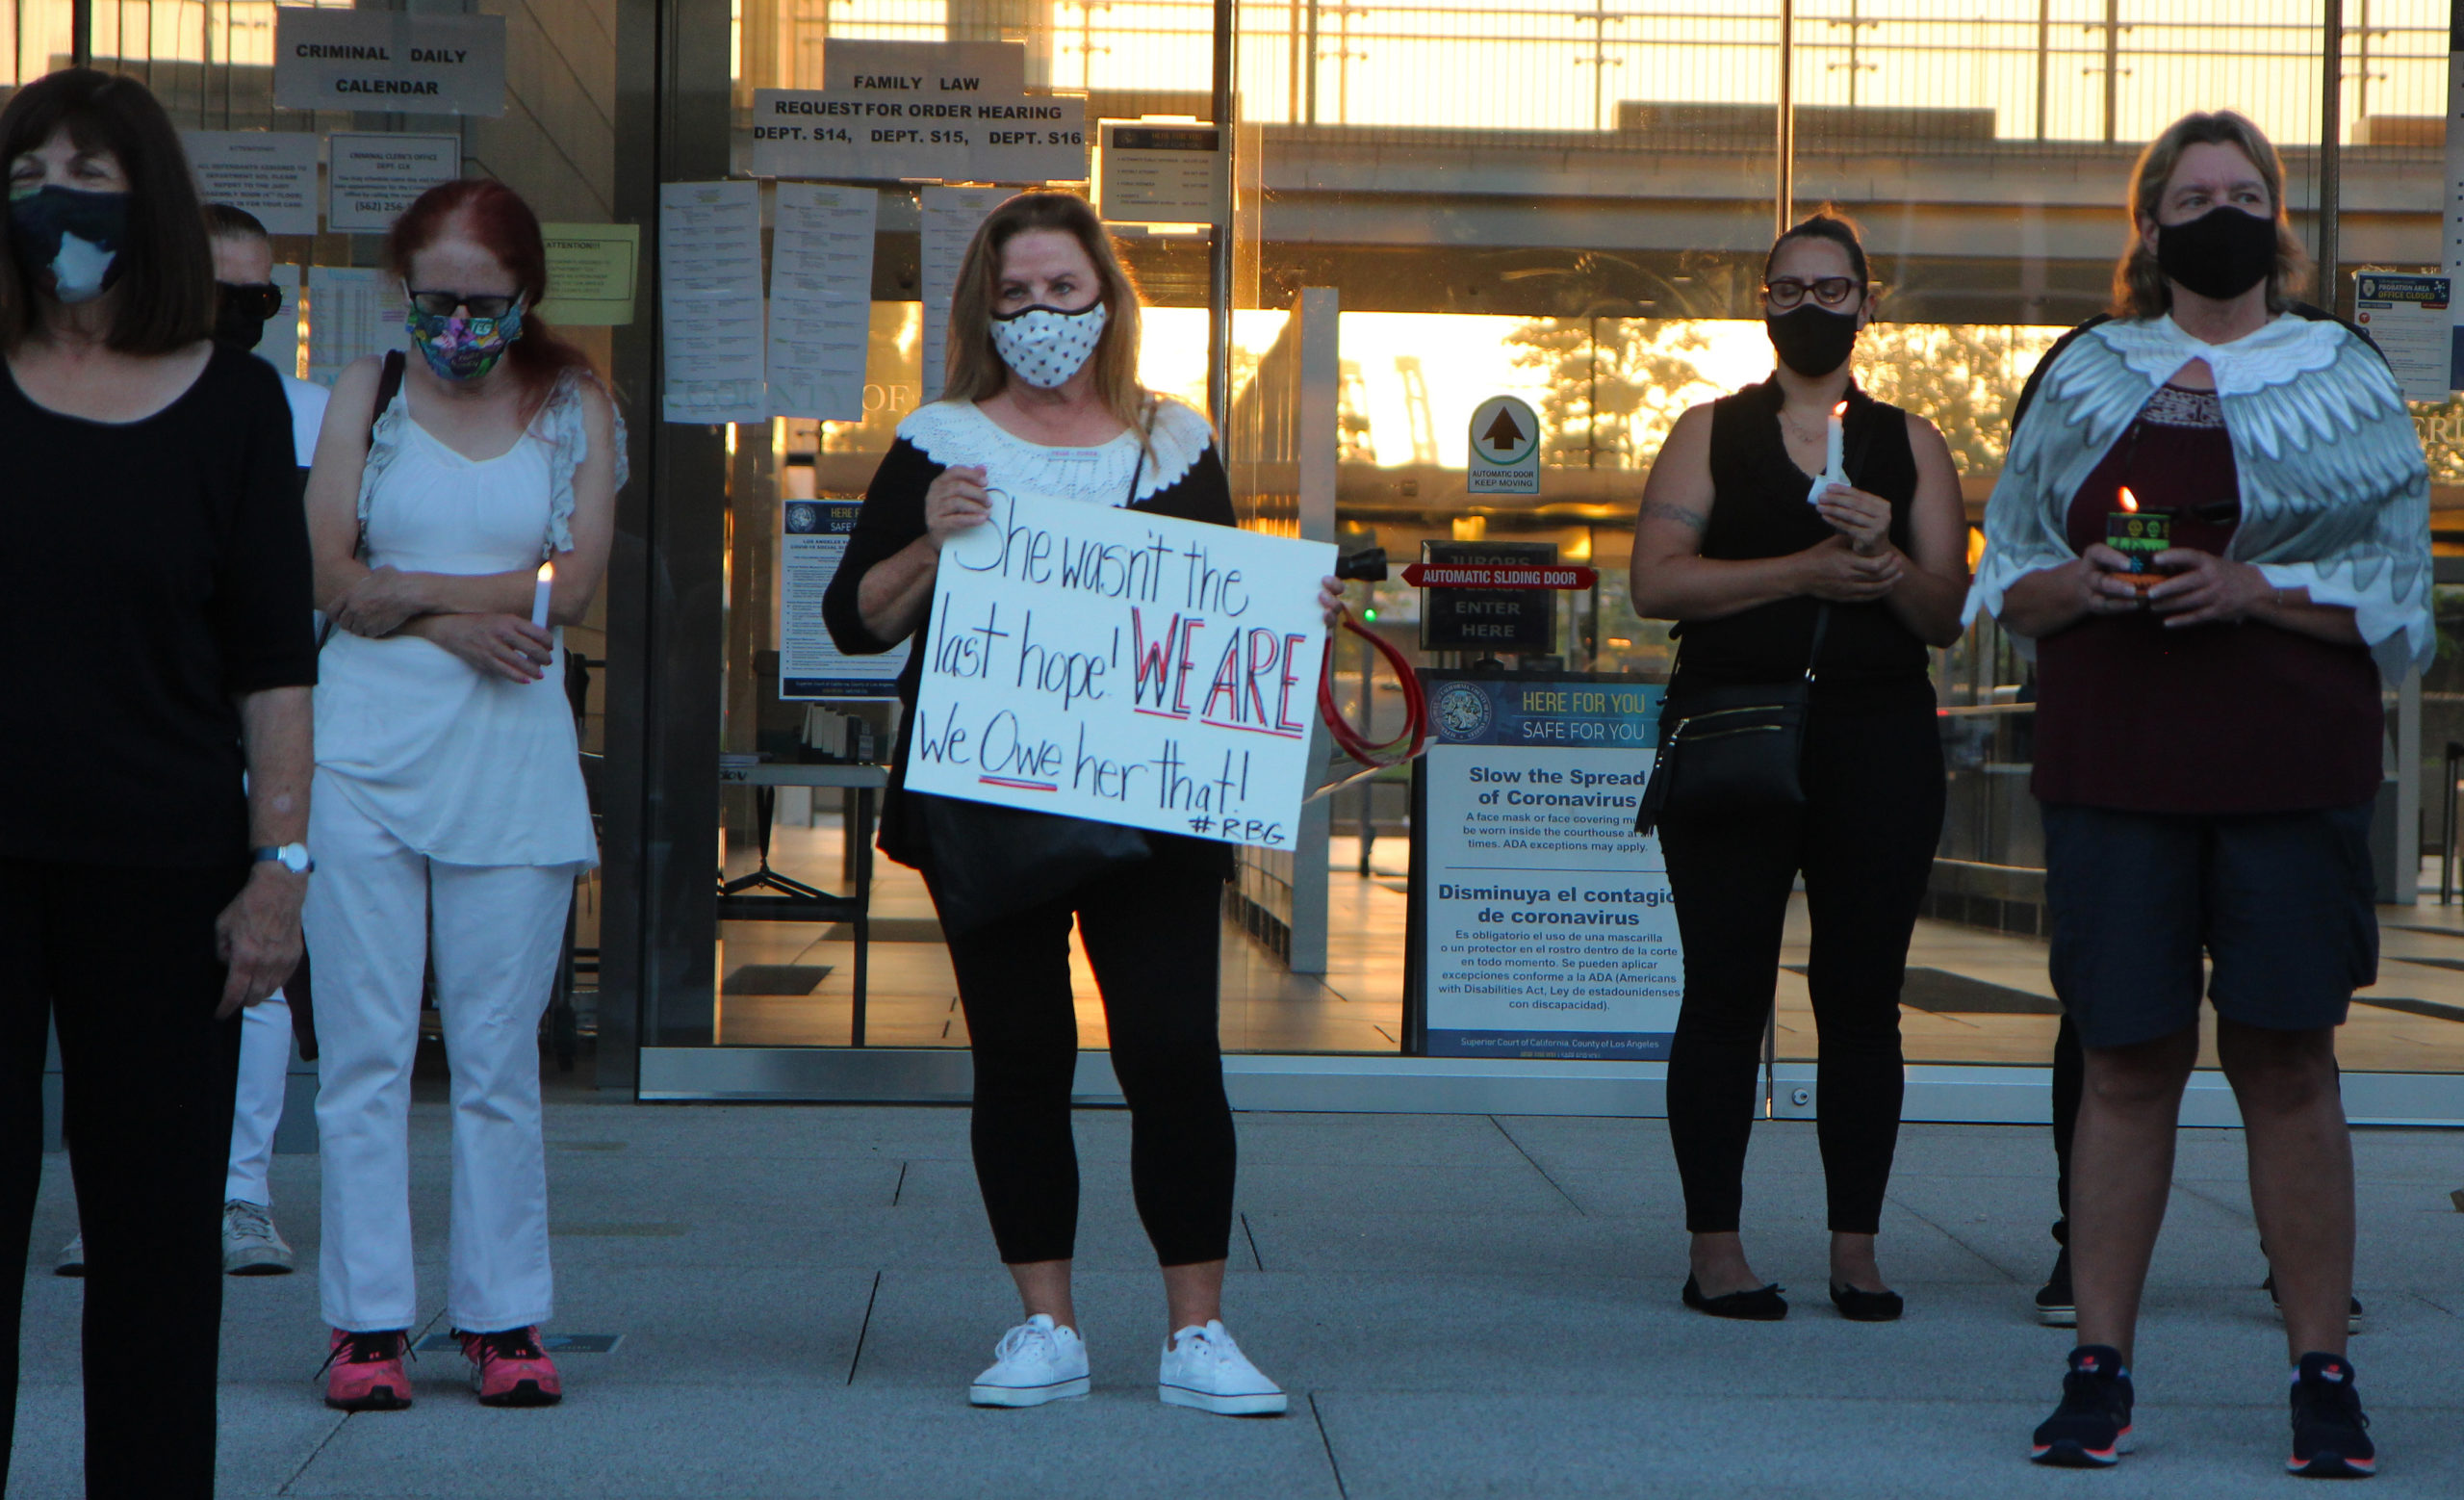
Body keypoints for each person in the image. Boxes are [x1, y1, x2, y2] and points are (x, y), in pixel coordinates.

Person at [822, 191, 1338, 1415]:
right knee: (1019, 1056)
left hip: (1153, 813)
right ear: (983, 309)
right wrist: (931, 542)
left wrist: (1284, 620)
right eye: (1016, 294)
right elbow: (858, 619)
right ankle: (1043, 1323)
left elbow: (1217, 611)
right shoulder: (942, 439)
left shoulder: (1175, 441)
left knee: (1172, 1055)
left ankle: (1196, 1332)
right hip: (986, 811)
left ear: (1105, 299)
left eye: (1062, 289)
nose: (1042, 313)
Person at [1969, 111, 2426, 1479]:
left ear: (2276, 217)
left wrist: (2257, 590)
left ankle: (2321, 1372)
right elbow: (2007, 577)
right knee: (2124, 1061)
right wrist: (2081, 585)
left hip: (2290, 770)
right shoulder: (2080, 374)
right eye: (2188, 194)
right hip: (2119, 763)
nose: (2214, 211)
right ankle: (2097, 1366)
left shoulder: (2345, 373)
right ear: (2149, 223)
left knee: (2289, 1062)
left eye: (2241, 192)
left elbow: (2400, 595)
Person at [0, 67, 316, 1498]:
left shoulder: (235, 405)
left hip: (168, 873)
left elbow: (273, 667)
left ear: (155, 203)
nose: (54, 197)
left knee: (154, 1244)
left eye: (92, 169)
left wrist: (277, 871)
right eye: (29, 169)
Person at [302, 176, 619, 1411]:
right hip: (361, 753)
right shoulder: (364, 395)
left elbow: (575, 585)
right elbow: (329, 572)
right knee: (367, 1053)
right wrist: (462, 615)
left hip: (509, 756)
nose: (457, 322)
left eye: (483, 300)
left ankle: (502, 1319)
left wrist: (408, 597)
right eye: (435, 297)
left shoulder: (574, 400)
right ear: (402, 290)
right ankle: (365, 1322)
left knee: (497, 1054)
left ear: (525, 294)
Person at [1627, 210, 1968, 1323]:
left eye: (1832, 289)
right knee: (1724, 989)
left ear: (1869, 303)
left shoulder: (1910, 442)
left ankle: (1855, 1247)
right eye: (1789, 288)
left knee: (1862, 997)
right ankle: (1714, 1245)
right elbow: (1657, 584)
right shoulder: (1707, 430)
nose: (1810, 307)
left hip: (1878, 738)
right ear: (1761, 303)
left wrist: (1879, 556)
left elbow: (1941, 614)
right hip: (1734, 725)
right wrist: (1805, 569)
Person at [52, 202, 328, 1282]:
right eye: (219, 294)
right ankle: (110, 1195)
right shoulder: (96, 400)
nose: (235, 318)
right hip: (141, 729)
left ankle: (239, 1192)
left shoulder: (295, 411)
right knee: (105, 985)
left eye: (258, 300)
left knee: (245, 960)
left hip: (274, 717)